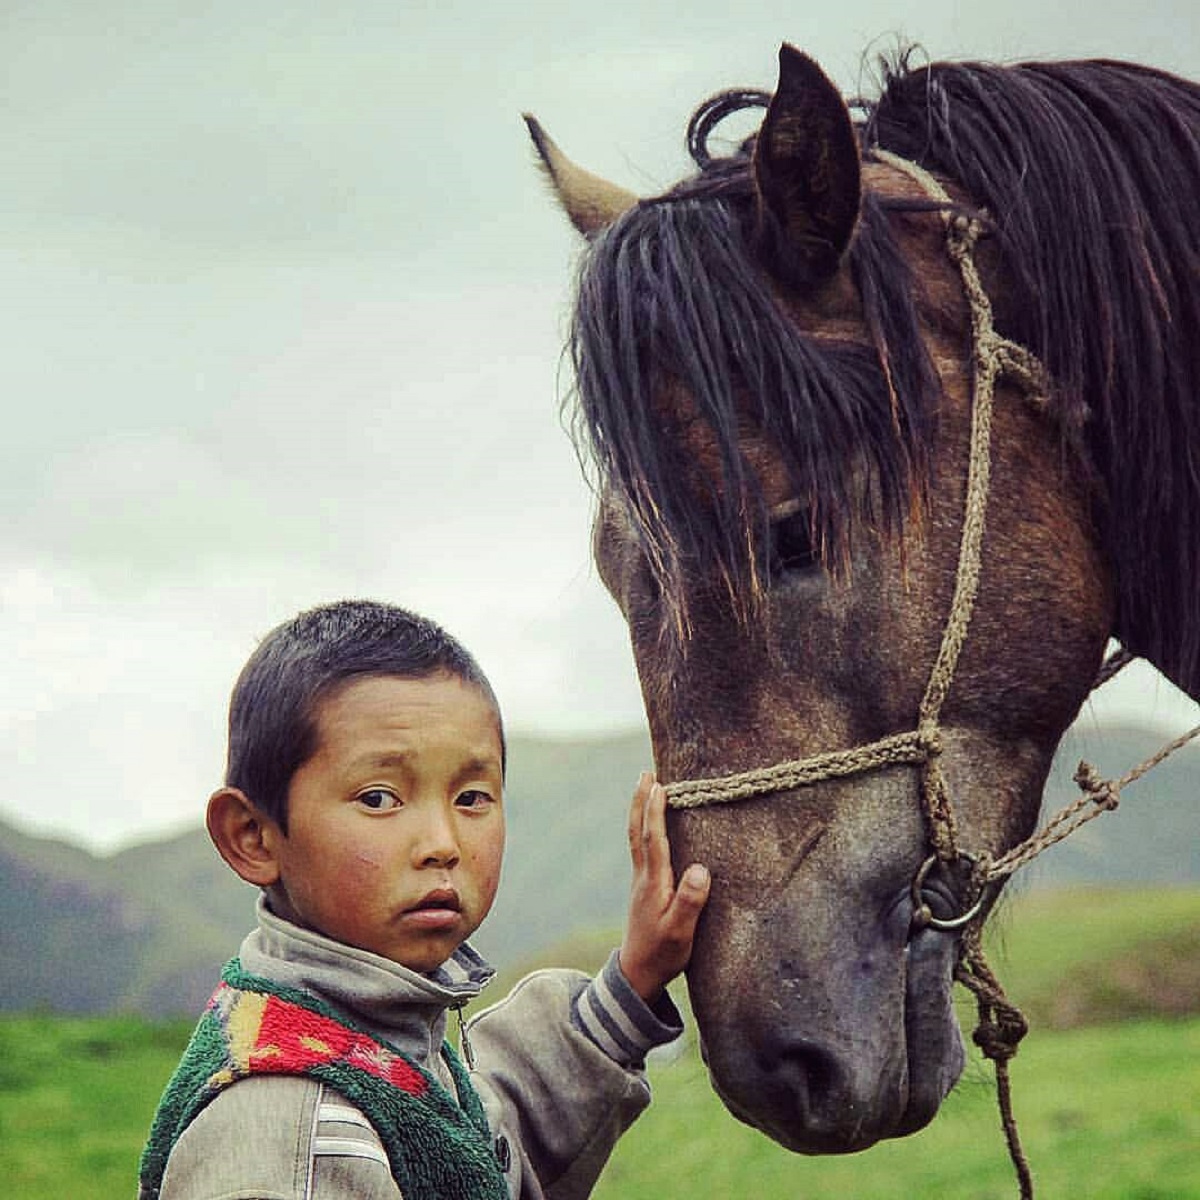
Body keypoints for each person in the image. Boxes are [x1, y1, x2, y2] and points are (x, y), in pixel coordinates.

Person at [138, 598, 710, 1200]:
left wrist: (638, 973)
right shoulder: (291, 1141)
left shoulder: (388, 1046)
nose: (442, 844)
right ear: (252, 837)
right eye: (379, 798)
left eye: (471, 798)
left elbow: (485, 1162)